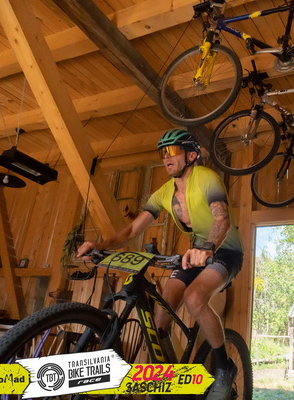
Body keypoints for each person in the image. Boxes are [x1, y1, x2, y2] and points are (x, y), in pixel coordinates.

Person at [76, 129, 244, 400]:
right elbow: (132, 230)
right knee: (161, 316)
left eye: (172, 151)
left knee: (194, 298)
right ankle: (170, 378)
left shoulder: (206, 178)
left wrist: (207, 248)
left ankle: (225, 367)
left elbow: (221, 220)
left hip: (225, 251)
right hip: (195, 254)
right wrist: (100, 245)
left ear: (191, 155)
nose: (166, 157)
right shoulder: (165, 192)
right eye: (162, 152)